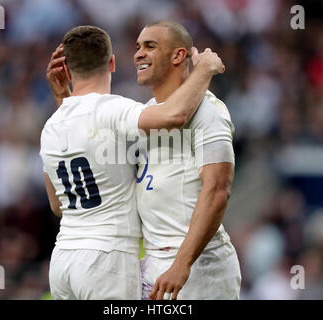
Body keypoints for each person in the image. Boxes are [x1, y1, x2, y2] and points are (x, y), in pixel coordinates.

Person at [40, 25, 225, 300]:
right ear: (112, 63)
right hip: (107, 259)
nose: (140, 53)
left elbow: (58, 205)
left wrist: (63, 100)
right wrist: (204, 69)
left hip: (63, 260)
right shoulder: (111, 108)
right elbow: (174, 116)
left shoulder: (52, 126)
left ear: (66, 69)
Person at [133, 20, 241, 300]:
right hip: (156, 266)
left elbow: (218, 191)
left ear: (178, 56)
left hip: (199, 269)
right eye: (138, 47)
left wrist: (182, 264)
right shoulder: (146, 113)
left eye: (150, 46)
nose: (138, 54)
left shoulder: (210, 111)